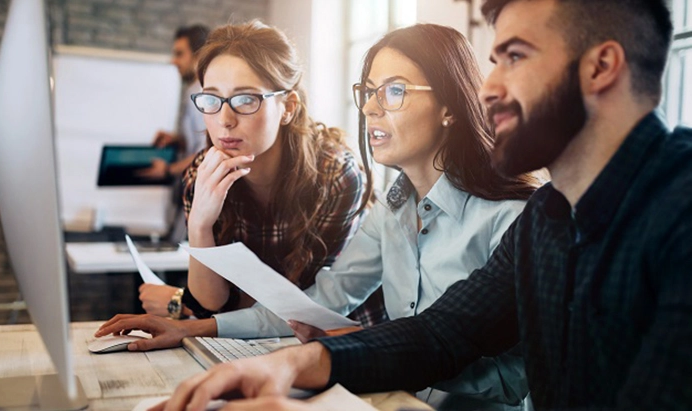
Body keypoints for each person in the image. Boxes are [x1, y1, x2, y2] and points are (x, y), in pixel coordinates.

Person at [146, 0, 692, 410]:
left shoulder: (678, 211)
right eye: (495, 59)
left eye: (516, 57)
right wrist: (292, 365)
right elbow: (441, 334)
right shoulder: (549, 217)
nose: (489, 86)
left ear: (601, 67)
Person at [98, 23, 541, 410]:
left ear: (450, 106)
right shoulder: (391, 210)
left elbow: (512, 375)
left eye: (394, 90)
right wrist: (193, 327)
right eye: (368, 92)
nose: (369, 107)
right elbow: (319, 304)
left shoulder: (514, 220)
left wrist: (365, 358)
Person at [110, 20, 384, 332]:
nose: (224, 120)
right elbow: (211, 301)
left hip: (344, 346)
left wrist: (178, 302)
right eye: (211, 99)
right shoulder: (201, 172)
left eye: (245, 100)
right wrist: (200, 223)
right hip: (250, 342)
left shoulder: (333, 175)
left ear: (288, 107)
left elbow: (296, 308)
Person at [137, 25, 210, 317]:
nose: (173, 61)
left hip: (195, 199)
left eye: (179, 54)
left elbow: (207, 150)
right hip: (185, 198)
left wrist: (167, 168)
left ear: (198, 55)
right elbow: (197, 141)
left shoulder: (202, 94)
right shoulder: (192, 91)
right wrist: (176, 140)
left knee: (186, 278)